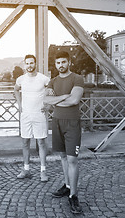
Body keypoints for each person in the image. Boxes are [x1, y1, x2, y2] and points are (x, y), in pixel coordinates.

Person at [44, 51, 84, 214]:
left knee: (72, 159)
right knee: (62, 156)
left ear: (69, 62)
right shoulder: (52, 81)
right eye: (58, 63)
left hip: (72, 123)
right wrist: (64, 96)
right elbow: (46, 100)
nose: (61, 65)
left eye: (63, 62)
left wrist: (57, 99)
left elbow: (74, 100)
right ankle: (67, 186)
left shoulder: (77, 78)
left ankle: (73, 196)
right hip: (57, 122)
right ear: (56, 64)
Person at [14, 54, 50, 182]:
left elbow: (51, 90)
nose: (30, 66)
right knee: (25, 142)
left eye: (32, 63)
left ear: (35, 64)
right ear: (25, 65)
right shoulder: (21, 79)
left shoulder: (43, 79)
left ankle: (43, 171)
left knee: (41, 142)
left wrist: (47, 104)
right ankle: (26, 169)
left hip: (39, 114)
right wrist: (19, 104)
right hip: (26, 115)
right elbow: (16, 90)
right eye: (27, 63)